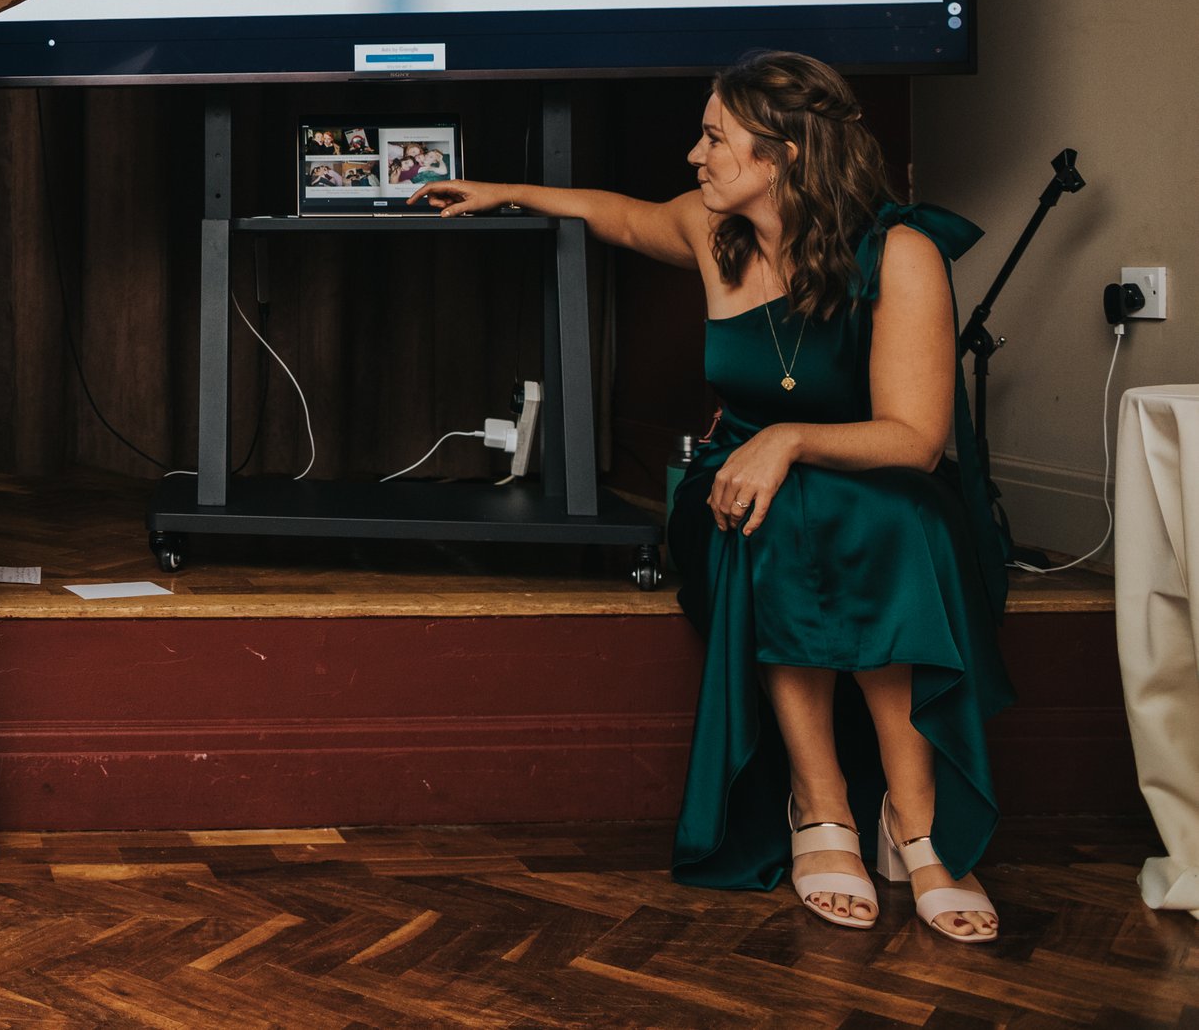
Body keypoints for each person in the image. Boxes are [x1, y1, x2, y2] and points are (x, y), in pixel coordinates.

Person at [412, 52, 1010, 944]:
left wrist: (792, 437)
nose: (695, 155)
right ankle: (823, 808)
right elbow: (617, 215)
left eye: (715, 136)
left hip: (881, 489)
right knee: (765, 513)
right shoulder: (711, 228)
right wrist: (506, 190)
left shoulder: (904, 252)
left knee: (887, 519)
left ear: (783, 157)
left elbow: (914, 442)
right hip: (734, 483)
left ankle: (917, 822)